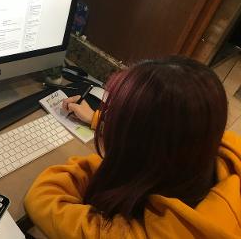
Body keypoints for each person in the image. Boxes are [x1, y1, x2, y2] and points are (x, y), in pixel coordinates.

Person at [24, 56, 241, 238]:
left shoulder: (128, 234)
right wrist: (99, 120)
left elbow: (42, 196)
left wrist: (117, 146)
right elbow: (170, 133)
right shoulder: (224, 149)